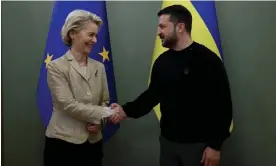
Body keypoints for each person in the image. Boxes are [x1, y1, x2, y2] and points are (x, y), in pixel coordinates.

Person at [110, 5, 233, 166]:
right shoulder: (162, 62)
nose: (158, 32)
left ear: (180, 27)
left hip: (199, 148)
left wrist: (215, 146)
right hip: (168, 145)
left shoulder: (208, 60)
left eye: (162, 26)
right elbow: (151, 96)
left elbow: (223, 106)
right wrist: (124, 110)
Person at [43, 10, 116, 166]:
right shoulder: (56, 67)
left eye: (96, 35)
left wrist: (100, 122)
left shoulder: (99, 67)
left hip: (93, 144)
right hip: (62, 144)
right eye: (91, 35)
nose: (95, 40)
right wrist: (106, 112)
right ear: (73, 33)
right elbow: (67, 105)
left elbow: (104, 100)